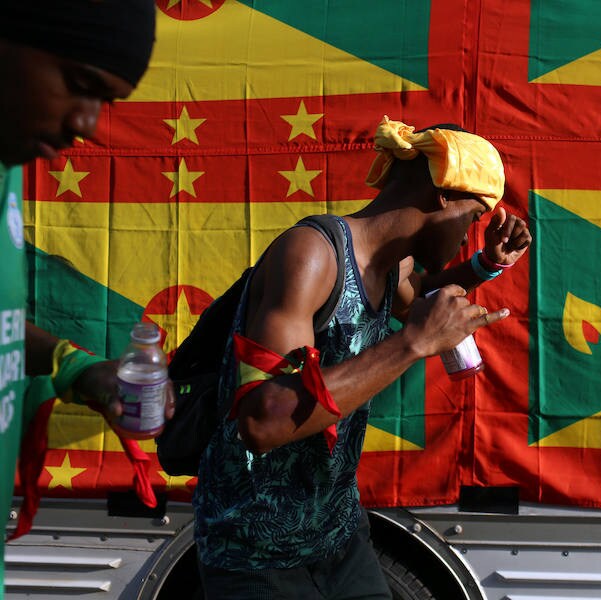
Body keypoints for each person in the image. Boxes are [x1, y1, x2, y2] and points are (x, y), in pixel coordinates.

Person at [193, 116, 532, 598]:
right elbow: (262, 420)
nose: (469, 235)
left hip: (337, 535)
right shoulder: (312, 254)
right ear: (442, 193)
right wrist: (411, 345)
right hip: (257, 552)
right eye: (474, 218)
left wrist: (486, 265)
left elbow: (418, 299)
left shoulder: (395, 263)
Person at [0, 0, 169, 591]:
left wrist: (78, 370)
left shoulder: (7, 170)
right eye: (79, 83)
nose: (90, 124)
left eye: (107, 101)